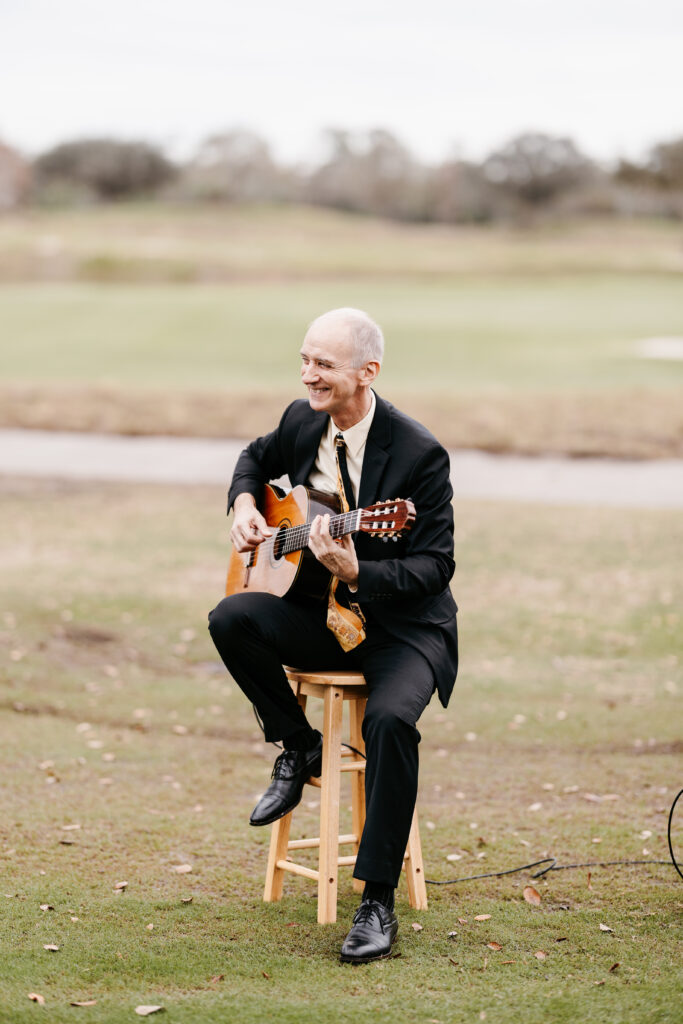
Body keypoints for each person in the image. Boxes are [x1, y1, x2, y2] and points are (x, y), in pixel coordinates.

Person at [208, 307, 458, 963]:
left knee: (389, 725)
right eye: (304, 359)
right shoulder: (301, 420)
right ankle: (299, 746)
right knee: (230, 618)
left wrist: (363, 569)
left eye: (322, 364)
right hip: (321, 619)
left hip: (401, 628)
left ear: (366, 373)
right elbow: (251, 460)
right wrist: (243, 506)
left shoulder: (418, 454)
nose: (306, 374)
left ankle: (375, 902)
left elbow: (436, 566)